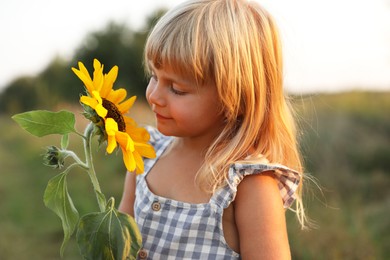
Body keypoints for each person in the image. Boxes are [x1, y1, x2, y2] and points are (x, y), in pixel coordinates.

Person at [119, 0, 307, 259]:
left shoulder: (247, 184)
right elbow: (118, 240)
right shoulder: (144, 151)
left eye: (177, 89)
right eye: (154, 76)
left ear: (235, 98)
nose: (153, 96)